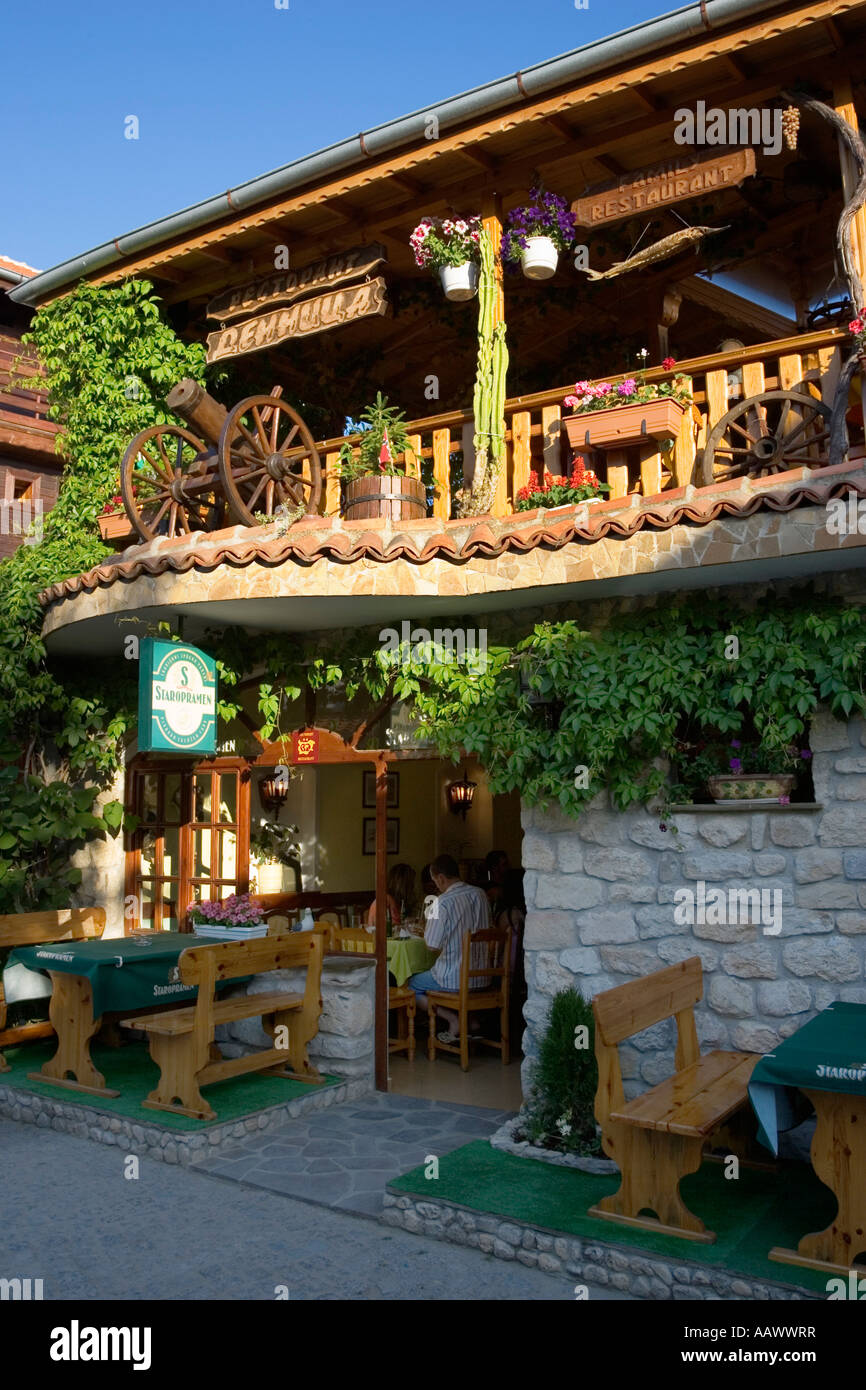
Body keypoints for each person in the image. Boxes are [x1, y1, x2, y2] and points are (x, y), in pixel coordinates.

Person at [408, 852, 491, 1043]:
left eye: (434, 880)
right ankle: (472, 1021)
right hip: (484, 977)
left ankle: (454, 1020)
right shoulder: (481, 894)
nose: (435, 885)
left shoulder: (442, 902)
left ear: (441, 878)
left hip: (454, 978)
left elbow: (431, 944)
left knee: (412, 986)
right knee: (456, 974)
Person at [367, 862, 416, 928]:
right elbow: (394, 927)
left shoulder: (391, 899)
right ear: (404, 884)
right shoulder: (387, 899)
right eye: (411, 883)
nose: (413, 886)